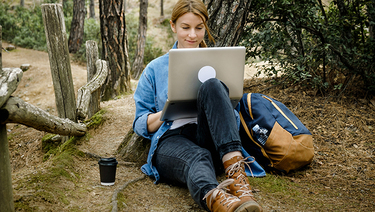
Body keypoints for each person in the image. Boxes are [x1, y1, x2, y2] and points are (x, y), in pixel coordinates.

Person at [133, 0, 264, 211]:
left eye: (199, 28)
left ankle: (239, 182)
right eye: (185, 27)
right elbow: (139, 123)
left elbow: (230, 113)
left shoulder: (220, 62)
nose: (192, 35)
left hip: (211, 137)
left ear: (205, 28)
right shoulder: (155, 69)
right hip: (172, 140)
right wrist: (164, 113)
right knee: (197, 157)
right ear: (173, 26)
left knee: (212, 84)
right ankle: (222, 203)